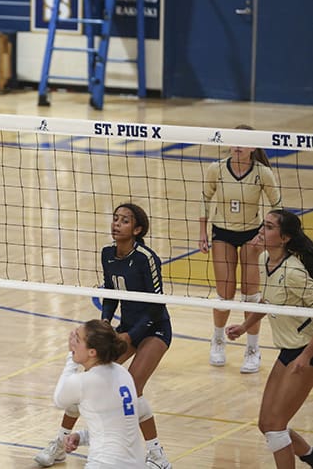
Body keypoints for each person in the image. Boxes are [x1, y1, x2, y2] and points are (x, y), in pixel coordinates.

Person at [35, 203, 172, 469]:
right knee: (84, 382)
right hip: (127, 328)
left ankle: (156, 454)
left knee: (132, 389)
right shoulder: (107, 253)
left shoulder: (146, 258)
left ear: (138, 229)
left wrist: (130, 337)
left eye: (124, 221)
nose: (116, 224)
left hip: (154, 328)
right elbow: (109, 293)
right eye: (115, 219)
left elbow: (156, 307)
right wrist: (105, 323)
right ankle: (61, 444)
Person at [226, 209, 313, 468]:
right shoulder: (265, 260)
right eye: (262, 225)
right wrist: (244, 326)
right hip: (288, 350)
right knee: (266, 425)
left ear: (285, 238)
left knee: (276, 428)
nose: (261, 231)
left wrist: (306, 356)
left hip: (307, 351)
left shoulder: (295, 273)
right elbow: (268, 302)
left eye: (269, 227)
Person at [199, 125, 281, 373]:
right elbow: (205, 199)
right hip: (222, 233)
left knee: (250, 294)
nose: (237, 146)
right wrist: (202, 233)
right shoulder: (216, 169)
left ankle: (253, 350)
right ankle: (218, 340)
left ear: (253, 147)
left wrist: (266, 234)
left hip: (251, 235)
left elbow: (277, 205)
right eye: (234, 142)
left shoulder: (262, 173)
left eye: (243, 143)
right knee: (224, 293)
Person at [54, 319, 146, 468]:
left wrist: (71, 358)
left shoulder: (84, 381)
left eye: (76, 339)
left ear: (92, 352)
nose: (72, 341)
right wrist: (81, 437)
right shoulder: (122, 373)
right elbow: (119, 428)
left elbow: (58, 400)